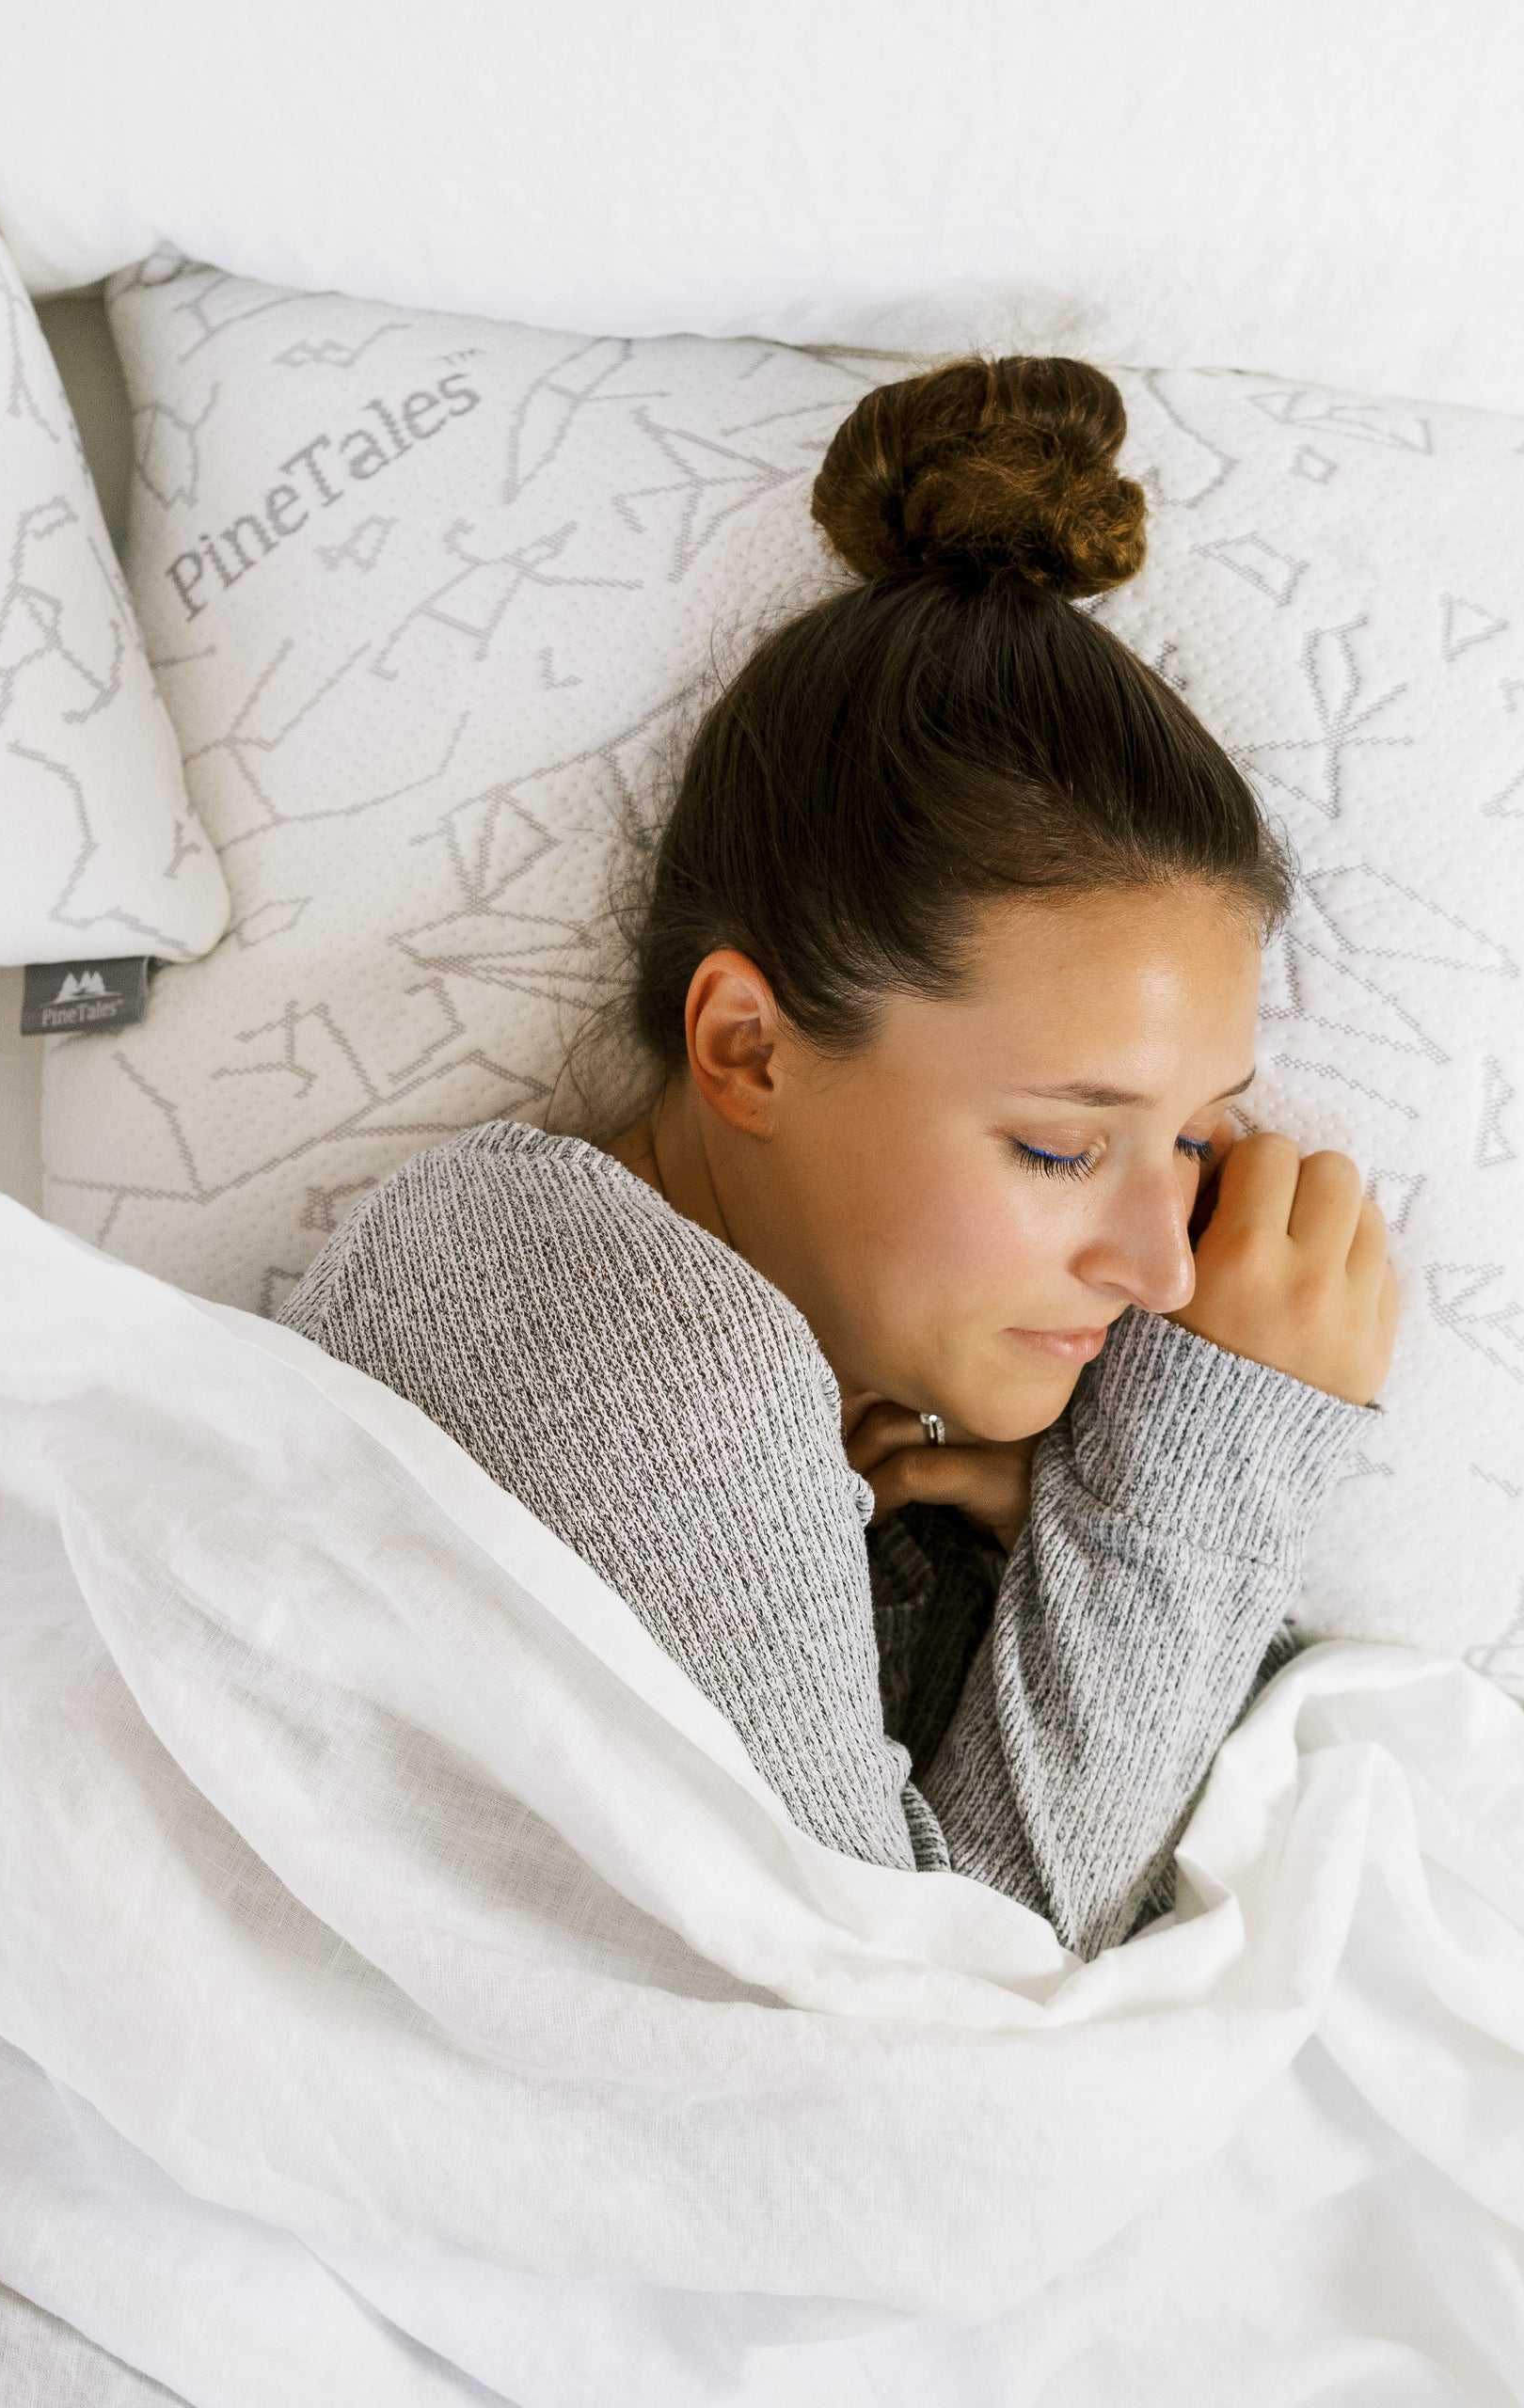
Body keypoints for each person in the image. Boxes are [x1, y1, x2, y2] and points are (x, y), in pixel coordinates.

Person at [280, 356, 1398, 1957]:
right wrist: (1174, 1494)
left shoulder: (779, 1394)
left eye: (1198, 1137)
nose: (1164, 1268)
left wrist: (1039, 1556)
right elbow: (914, 2044)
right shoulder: (626, 1354)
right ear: (748, 1045)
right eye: (1060, 1146)